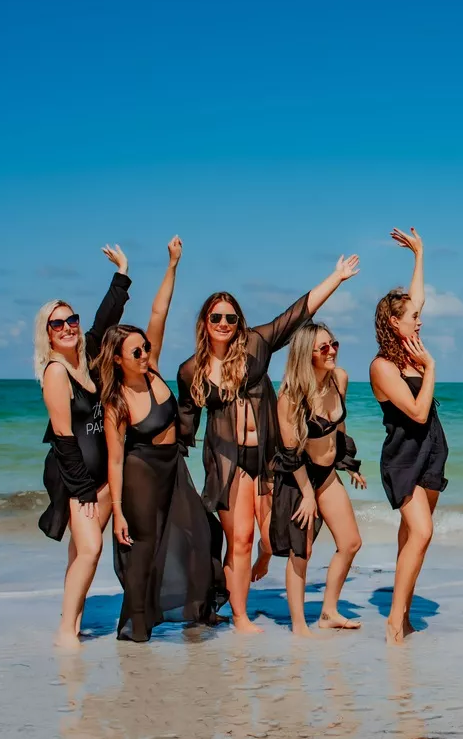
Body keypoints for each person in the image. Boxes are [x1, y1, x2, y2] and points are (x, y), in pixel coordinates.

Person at [177, 253, 360, 634]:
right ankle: (240, 616)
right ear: (205, 324)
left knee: (267, 538)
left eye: (230, 317)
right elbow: (181, 425)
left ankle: (258, 566)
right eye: (216, 318)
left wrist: (337, 278)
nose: (224, 323)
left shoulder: (256, 345)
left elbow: (296, 314)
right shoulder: (191, 371)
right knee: (240, 539)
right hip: (227, 460)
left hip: (268, 458)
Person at [101, 237, 227, 641]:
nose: (143, 354)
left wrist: (172, 264)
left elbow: (160, 309)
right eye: (135, 352)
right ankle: (136, 628)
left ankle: (200, 608)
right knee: (144, 547)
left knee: (204, 530)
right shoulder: (117, 402)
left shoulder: (152, 371)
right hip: (141, 474)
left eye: (145, 348)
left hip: (173, 466)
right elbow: (116, 461)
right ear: (118, 359)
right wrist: (117, 512)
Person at [36, 244, 131, 648]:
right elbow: (63, 437)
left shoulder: (87, 358)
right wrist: (82, 489)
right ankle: (64, 632)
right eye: (57, 325)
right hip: (76, 477)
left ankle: (72, 621)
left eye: (70, 319)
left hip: (101, 476)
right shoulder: (57, 371)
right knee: (91, 548)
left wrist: (122, 275)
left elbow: (105, 318)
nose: (68, 327)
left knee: (80, 552)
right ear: (48, 334)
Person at [369, 228, 448, 645]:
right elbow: (417, 412)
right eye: (412, 317)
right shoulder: (383, 366)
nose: (419, 319)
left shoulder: (412, 347)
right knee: (422, 532)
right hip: (404, 454)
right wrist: (431, 368)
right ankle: (394, 621)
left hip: (432, 451)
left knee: (410, 538)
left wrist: (419, 255)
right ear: (393, 323)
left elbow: (417, 298)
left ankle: (405, 613)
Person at [273, 322, 366, 636]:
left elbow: (339, 427)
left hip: (326, 473)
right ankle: (299, 625)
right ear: (306, 354)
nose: (332, 351)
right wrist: (307, 494)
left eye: (334, 344)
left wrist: (348, 463)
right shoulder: (290, 396)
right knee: (302, 550)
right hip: (298, 475)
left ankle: (328, 612)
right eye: (324, 347)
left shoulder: (339, 379)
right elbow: (289, 453)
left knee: (351, 542)